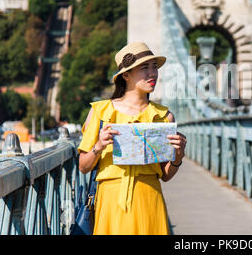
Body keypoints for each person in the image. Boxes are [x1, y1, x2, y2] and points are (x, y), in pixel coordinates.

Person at [77, 41, 187, 235]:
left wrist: (178, 156)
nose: (152, 74)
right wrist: (99, 146)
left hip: (149, 199)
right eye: (144, 68)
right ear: (125, 75)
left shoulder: (164, 116)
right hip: (111, 202)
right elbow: (84, 166)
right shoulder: (101, 112)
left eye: (155, 67)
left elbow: (166, 175)